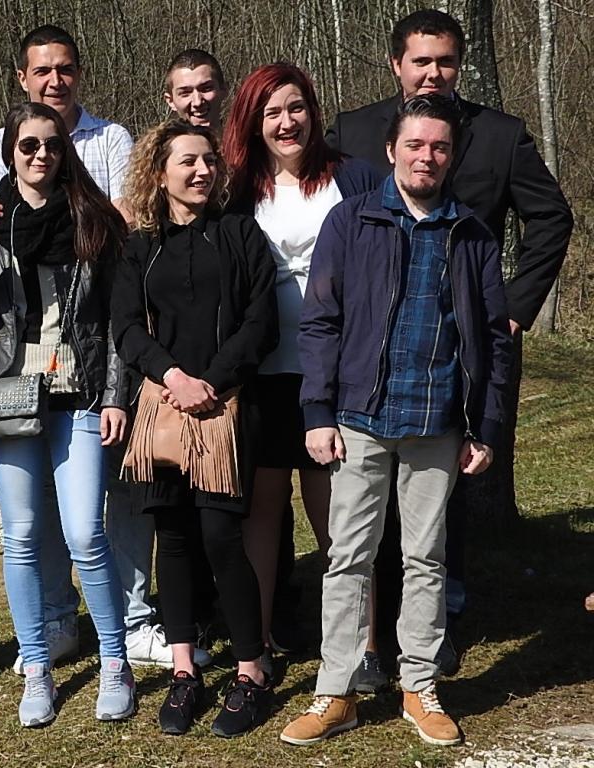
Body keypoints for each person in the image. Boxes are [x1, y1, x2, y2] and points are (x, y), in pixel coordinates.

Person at [326, 9, 572, 681]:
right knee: (367, 511)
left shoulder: (498, 136)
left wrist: (516, 309)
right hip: (372, 359)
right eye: (420, 60)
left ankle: (442, 627)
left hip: (463, 353)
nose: (433, 71)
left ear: (458, 66)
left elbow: (552, 217)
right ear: (396, 66)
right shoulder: (351, 133)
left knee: (449, 498)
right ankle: (370, 638)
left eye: (445, 61)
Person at [281, 95, 513, 748]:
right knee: (348, 557)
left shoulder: (470, 234)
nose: (426, 156)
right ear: (392, 150)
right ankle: (337, 692)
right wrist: (318, 411)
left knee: (425, 559)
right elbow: (320, 321)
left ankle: (420, 685)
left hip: (438, 424)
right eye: (415, 145)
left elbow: (493, 340)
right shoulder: (350, 223)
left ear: (451, 156)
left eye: (439, 147)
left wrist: (486, 426)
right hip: (358, 419)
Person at [0, 25, 164, 672]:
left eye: (66, 69)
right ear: (22, 80)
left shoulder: (111, 141)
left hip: (87, 361)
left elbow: (121, 241)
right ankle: (53, 623)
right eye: (42, 70)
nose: (55, 80)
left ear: (79, 73)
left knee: (102, 515)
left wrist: (115, 384)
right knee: (28, 524)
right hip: (15, 379)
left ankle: (130, 626)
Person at [0, 102, 134, 727]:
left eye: (51, 146)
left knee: (86, 533)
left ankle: (113, 658)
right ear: (9, 152)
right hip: (10, 392)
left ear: (65, 153)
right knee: (23, 535)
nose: (40, 156)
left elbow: (118, 320)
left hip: (81, 392)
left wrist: (116, 395)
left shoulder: (94, 221)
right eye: (27, 146)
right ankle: (36, 665)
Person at [113, 119, 278, 738]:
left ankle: (250, 670)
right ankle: (185, 671)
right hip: (162, 409)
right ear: (161, 171)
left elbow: (263, 324)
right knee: (173, 538)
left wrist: (209, 380)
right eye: (188, 161)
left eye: (209, 159)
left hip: (226, 407)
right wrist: (173, 377)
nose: (203, 170)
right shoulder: (140, 245)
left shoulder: (239, 233)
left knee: (220, 537)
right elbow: (126, 326)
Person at [221, 63, 381, 656]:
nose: (286, 122)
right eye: (271, 112)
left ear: (313, 112)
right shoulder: (236, 193)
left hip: (336, 373)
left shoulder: (355, 179)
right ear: (253, 122)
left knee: (337, 517)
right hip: (262, 372)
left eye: (296, 108)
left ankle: (359, 648)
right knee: (261, 512)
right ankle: (256, 643)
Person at [163, 48, 228, 129]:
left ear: (223, 89)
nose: (198, 102)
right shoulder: (160, 141)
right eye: (185, 93)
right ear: (170, 101)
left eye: (206, 88)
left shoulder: (244, 140)